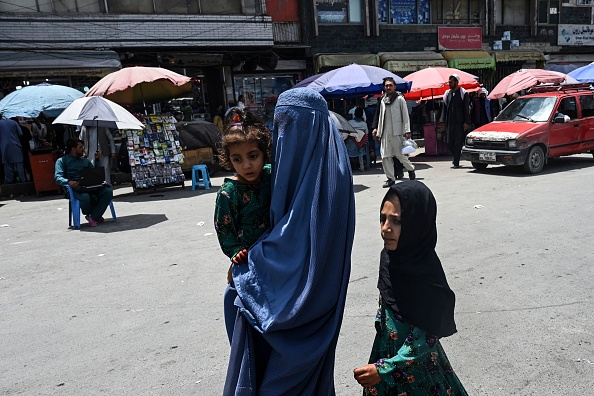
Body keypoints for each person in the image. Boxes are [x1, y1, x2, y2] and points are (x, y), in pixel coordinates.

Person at [224, 88, 355, 394]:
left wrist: (247, 270)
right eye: (280, 128)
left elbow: (296, 245)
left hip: (303, 307)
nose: (285, 139)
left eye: (291, 128)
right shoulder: (330, 162)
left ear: (310, 126)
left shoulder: (327, 179)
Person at [354, 181, 468, 396]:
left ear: (416, 224)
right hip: (384, 359)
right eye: (382, 218)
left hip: (418, 372)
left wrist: (385, 369)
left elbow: (427, 337)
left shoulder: (428, 276)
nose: (385, 228)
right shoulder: (389, 258)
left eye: (396, 221)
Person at [213, 109, 273, 342]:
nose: (246, 165)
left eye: (253, 156)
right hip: (248, 259)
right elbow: (224, 230)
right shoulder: (229, 193)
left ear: (264, 153)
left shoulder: (271, 175)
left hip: (273, 253)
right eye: (237, 159)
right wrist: (236, 252)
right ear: (229, 160)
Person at [54, 138, 113, 227]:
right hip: (74, 188)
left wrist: (97, 160)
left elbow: (94, 173)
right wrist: (68, 181)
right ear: (73, 149)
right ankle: (94, 215)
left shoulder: (85, 161)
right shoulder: (61, 161)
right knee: (85, 197)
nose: (83, 149)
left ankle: (93, 216)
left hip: (89, 186)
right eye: (81, 147)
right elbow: (57, 177)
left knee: (107, 192)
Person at [372, 77, 416, 187]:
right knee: (385, 156)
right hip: (385, 132)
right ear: (384, 87)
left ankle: (411, 169)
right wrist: (377, 130)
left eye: (390, 85)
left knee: (400, 155)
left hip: (397, 132)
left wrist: (407, 130)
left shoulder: (400, 99)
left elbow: (405, 116)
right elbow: (379, 116)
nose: (388, 87)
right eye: (386, 85)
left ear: (394, 87)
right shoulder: (382, 100)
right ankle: (390, 179)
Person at [440, 74, 470, 169]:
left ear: (456, 82)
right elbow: (444, 108)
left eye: (451, 82)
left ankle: (456, 161)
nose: (449, 84)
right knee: (448, 143)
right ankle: (456, 155)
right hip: (449, 122)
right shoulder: (447, 94)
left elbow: (466, 108)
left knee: (458, 142)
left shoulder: (463, 93)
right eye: (449, 82)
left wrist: (466, 122)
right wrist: (442, 121)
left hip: (459, 122)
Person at [0, 116, 26, 183]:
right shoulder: (14, 122)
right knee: (19, 163)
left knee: (7, 164)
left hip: (4, 146)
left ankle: (10, 180)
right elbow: (20, 133)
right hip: (15, 145)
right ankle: (22, 179)